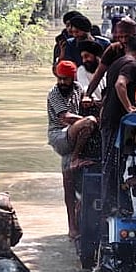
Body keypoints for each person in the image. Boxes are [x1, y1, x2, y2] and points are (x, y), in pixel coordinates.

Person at [46, 60, 98, 239]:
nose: (62, 83)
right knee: (90, 122)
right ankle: (76, 157)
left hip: (72, 137)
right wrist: (92, 118)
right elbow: (66, 118)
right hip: (59, 136)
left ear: (72, 77)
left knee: (69, 183)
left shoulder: (78, 89)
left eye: (65, 79)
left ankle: (73, 228)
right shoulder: (53, 94)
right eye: (59, 79)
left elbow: (86, 105)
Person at [99, 36, 136, 204]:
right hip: (115, 120)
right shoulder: (132, 64)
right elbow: (120, 85)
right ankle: (110, 204)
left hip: (108, 118)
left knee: (109, 164)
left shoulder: (117, 62)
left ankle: (109, 204)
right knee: (113, 164)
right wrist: (130, 108)